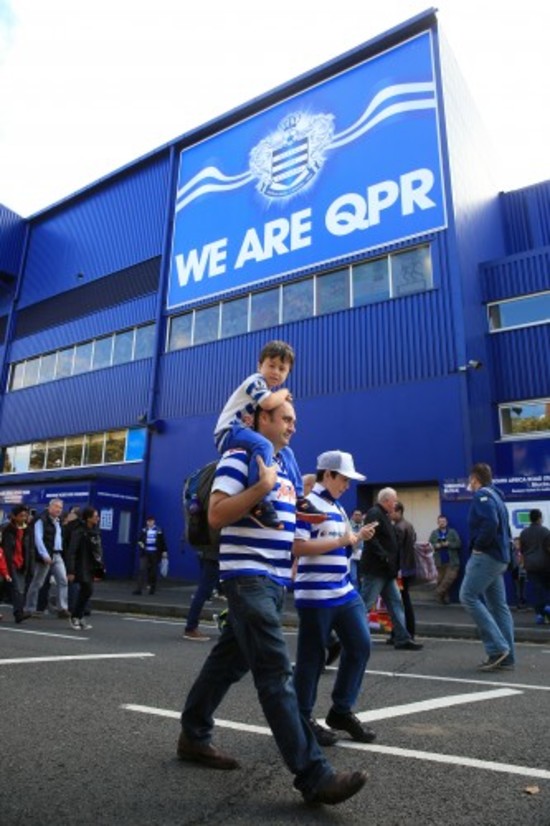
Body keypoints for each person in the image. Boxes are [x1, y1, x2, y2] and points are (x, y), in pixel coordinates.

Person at [178, 401, 368, 806]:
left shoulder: (282, 464)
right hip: (247, 577)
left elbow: (284, 522)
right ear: (262, 419)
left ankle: (192, 734)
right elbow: (216, 515)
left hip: (272, 581)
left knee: (229, 661)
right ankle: (314, 776)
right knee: (275, 673)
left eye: (295, 420)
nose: (293, 427)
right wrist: (262, 488)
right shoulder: (240, 455)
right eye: (285, 419)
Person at [293, 451, 376, 748]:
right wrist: (343, 540)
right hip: (316, 594)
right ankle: (302, 718)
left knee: (361, 645)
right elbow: (298, 546)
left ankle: (341, 710)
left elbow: (341, 546)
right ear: (327, 475)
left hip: (343, 589)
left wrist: (356, 538)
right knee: (312, 659)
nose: (347, 485)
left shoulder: (337, 506)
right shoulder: (306, 504)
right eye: (344, 479)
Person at [213, 340, 324, 530]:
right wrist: (284, 392)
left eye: (282, 369)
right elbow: (268, 403)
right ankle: (259, 501)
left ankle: (299, 499)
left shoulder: (265, 389)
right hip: (228, 432)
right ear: (259, 365)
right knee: (265, 446)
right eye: (271, 366)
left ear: (288, 372)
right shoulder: (255, 381)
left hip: (243, 431)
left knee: (287, 452)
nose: (276, 372)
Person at [459, 463, 515, 671]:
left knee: (468, 596)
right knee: (498, 606)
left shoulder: (482, 496)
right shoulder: (497, 496)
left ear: (475, 479)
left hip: (487, 557)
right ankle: (507, 658)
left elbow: (490, 523)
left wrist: (479, 547)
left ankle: (498, 648)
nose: (469, 484)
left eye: (470, 480)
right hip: (500, 558)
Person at [360, 488, 423, 651]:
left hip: (387, 571)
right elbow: (370, 538)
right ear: (386, 500)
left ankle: (402, 638)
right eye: (394, 501)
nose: (395, 504)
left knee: (396, 604)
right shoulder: (375, 513)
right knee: (365, 604)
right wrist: (384, 556)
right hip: (376, 570)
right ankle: (348, 637)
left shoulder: (384, 516)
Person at [24, 498, 70, 618]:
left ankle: (62, 608)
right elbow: (38, 538)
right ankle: (29, 608)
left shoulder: (58, 521)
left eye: (60, 507)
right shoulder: (41, 519)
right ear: (49, 507)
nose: (58, 509)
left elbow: (59, 537)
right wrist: (44, 554)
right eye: (56, 507)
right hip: (46, 555)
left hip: (57, 554)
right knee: (38, 582)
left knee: (63, 580)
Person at [66, 506, 104, 630]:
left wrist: (100, 566)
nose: (97, 518)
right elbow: (72, 551)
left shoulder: (95, 531)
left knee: (86, 591)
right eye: (95, 516)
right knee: (87, 589)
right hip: (81, 565)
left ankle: (79, 616)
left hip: (92, 566)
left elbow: (98, 551)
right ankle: (75, 617)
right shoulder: (79, 531)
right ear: (88, 518)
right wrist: (70, 570)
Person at [0, 504, 34, 623]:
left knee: (16, 588)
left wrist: (30, 565)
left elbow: (30, 548)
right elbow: (5, 548)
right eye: (21, 516)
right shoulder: (7, 529)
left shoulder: (27, 530)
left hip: (21, 563)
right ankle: (19, 614)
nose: (23, 518)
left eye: (25, 516)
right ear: (14, 517)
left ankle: (18, 613)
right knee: (17, 588)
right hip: (8, 562)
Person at [391, 502, 417, 640]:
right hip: (407, 569)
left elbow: (395, 550)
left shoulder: (398, 528)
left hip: (400, 570)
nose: (390, 513)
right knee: (403, 601)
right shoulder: (408, 525)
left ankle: (402, 633)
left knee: (400, 602)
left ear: (399, 511)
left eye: (392, 511)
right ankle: (405, 632)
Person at [519, 509, 550, 625]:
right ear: (539, 518)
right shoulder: (545, 531)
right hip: (545, 564)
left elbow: (522, 551)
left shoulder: (524, 533)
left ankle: (539, 615)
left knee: (537, 590)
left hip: (530, 565)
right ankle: (548, 606)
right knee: (547, 588)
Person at [183, 544, 219, 641]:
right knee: (203, 591)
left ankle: (191, 627)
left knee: (204, 590)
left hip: (210, 554)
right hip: (214, 555)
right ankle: (190, 627)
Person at [429, 515, 462, 604]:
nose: (442, 523)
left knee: (448, 579)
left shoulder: (452, 532)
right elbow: (430, 545)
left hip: (452, 561)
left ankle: (436, 593)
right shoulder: (434, 533)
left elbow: (458, 544)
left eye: (443, 521)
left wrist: (449, 544)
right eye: (440, 521)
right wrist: (436, 545)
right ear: (437, 522)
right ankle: (444, 599)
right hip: (439, 562)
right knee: (441, 581)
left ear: (446, 522)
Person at [133, 516, 168, 595]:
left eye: (151, 521)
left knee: (153, 571)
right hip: (145, 553)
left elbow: (162, 541)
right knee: (142, 569)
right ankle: (139, 589)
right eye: (148, 521)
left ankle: (152, 588)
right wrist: (142, 546)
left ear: (154, 522)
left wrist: (164, 551)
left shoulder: (159, 530)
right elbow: (139, 540)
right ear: (146, 522)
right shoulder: (144, 530)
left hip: (155, 553)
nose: (150, 523)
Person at [348, 509, 364, 591]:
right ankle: (355, 595)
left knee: (362, 577)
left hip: (363, 555)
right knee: (353, 577)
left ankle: (362, 596)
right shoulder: (348, 526)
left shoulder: (364, 526)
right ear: (352, 516)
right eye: (356, 514)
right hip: (352, 555)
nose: (358, 516)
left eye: (359, 515)